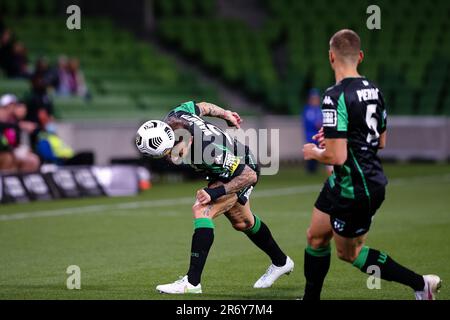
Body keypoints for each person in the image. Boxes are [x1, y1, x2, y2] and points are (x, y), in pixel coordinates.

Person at [301, 29, 440, 300]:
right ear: (360, 56)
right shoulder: (375, 90)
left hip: (357, 188)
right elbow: (380, 141)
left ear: (331, 56)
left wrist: (316, 152)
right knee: (315, 236)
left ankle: (421, 285)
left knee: (348, 253)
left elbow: (336, 157)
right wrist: (336, 137)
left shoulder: (334, 95)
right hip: (345, 180)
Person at [148, 101, 294, 294]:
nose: (172, 158)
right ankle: (281, 262)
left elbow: (249, 175)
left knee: (201, 209)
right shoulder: (176, 115)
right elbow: (203, 107)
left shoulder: (208, 151)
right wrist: (226, 114)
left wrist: (214, 193)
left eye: (174, 151)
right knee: (243, 222)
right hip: (224, 169)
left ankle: (191, 283)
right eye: (165, 154)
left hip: (241, 169)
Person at [0, 94, 40, 172]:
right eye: (10, 105)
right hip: (5, 152)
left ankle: (22, 182)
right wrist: (20, 125)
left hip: (11, 150)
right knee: (8, 158)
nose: (13, 107)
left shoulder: (14, 120)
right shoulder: (9, 122)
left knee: (32, 160)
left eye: (14, 105)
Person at [302, 88, 323, 173]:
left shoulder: (319, 109)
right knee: (311, 157)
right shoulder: (308, 110)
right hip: (311, 137)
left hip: (319, 137)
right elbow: (315, 123)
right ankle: (310, 170)